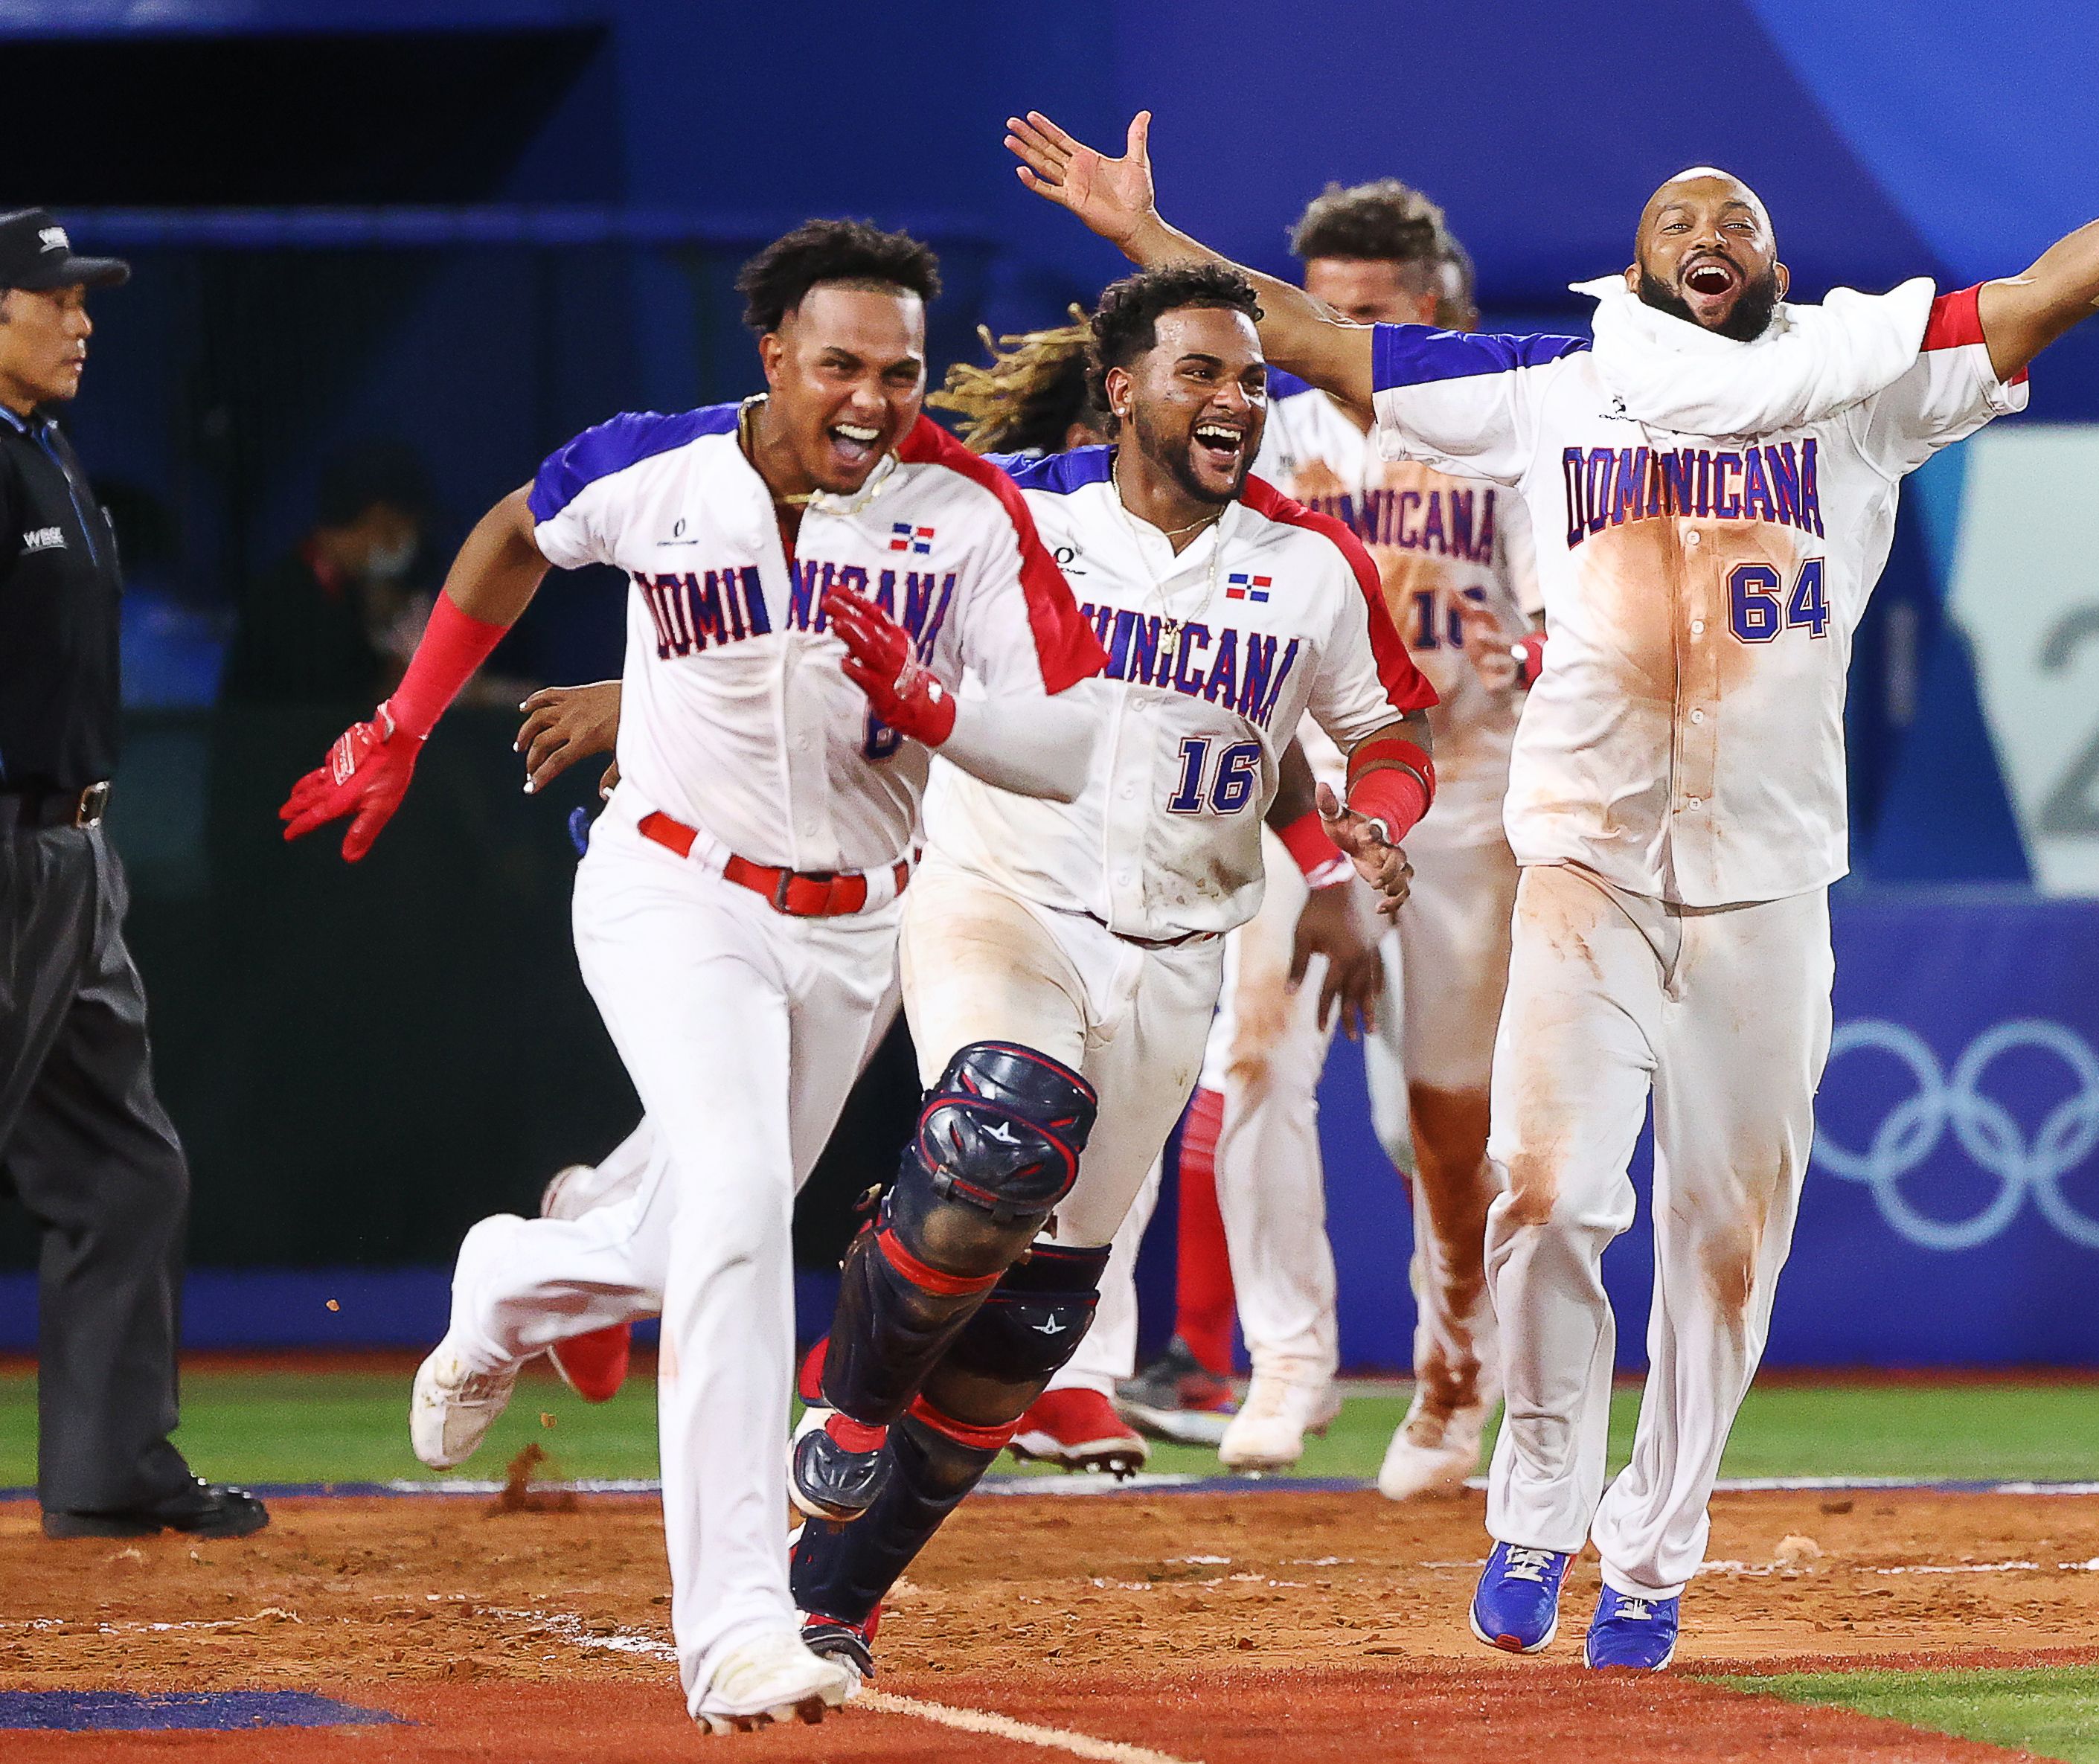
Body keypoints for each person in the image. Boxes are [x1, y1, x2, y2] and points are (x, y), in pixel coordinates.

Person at [1009, 42, 2099, 1669]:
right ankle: (1534, 1505)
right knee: (1546, 1200)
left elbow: (2055, 291)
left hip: (1770, 886)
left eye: (1733, 213)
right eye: (1675, 213)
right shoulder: (1551, 387)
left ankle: (1650, 1556)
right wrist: (1144, 236)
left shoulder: (1861, 385)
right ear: (1637, 261)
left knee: (1729, 1241)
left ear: (1773, 268)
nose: (1703, 223)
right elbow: (1312, 338)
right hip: (1582, 864)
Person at [281, 218, 1108, 1733]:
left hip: (859, 930)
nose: (872, 399)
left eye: (903, 372)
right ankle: (737, 1625)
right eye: (840, 365)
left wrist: (932, 699)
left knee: (689, 1241)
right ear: (774, 355)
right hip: (671, 890)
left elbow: (1067, 738)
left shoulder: (968, 507)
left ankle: (511, 1277)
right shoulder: (650, 466)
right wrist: (404, 722)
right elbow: (514, 535)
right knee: (732, 1198)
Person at [781, 263, 1435, 1678]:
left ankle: (832, 1597)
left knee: (1029, 1324)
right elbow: (796, 553)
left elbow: (1387, 736)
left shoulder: (1310, 565)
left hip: (1179, 951)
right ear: (1125, 384)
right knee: (999, 1132)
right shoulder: (1011, 512)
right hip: (1003, 897)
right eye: (1203, 370)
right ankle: (845, 1408)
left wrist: (1366, 830)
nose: (1236, 399)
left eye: (1254, 379)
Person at [1115, 178, 1539, 1491]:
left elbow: (1578, 601)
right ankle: (1287, 1359)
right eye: (1319, 306)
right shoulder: (1266, 435)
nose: (1329, 330)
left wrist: (1526, 645)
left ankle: (1454, 1373)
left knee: (1441, 1126)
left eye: (1362, 310)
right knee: (1249, 1070)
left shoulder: (1496, 427)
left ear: (1425, 308)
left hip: (1462, 800)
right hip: (1288, 799)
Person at [0, 208, 269, 1544]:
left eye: (86, 298)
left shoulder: (42, 453)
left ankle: (111, 1465)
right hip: (4, 847)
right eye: (54, 297)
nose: (83, 318)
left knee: (123, 1166)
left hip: (72, 854)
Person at [221, 440, 435, 708]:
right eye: (394, 531)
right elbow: (321, 710)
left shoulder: (352, 590)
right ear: (375, 518)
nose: (402, 545)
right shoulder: (284, 598)